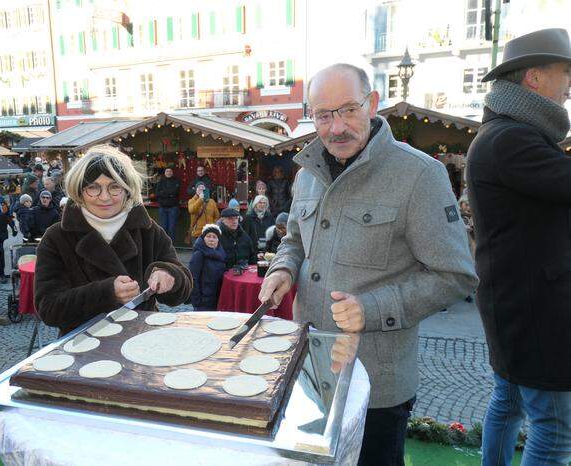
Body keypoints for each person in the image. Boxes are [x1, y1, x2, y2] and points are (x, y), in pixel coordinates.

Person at [259, 63, 477, 466]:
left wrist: (372, 308)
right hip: (309, 366)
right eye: (323, 115)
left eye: (347, 110)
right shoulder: (308, 173)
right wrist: (283, 270)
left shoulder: (420, 175)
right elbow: (293, 239)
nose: (335, 127)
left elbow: (456, 275)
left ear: (373, 103)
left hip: (376, 383)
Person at [465, 28, 571, 466]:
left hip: (514, 301)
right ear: (533, 78)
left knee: (507, 404)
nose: (569, 84)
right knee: (555, 430)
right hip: (535, 307)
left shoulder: (504, 134)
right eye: (565, 72)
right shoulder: (511, 138)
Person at [34, 145, 192, 336]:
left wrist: (170, 275)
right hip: (82, 347)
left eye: (114, 186)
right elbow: (48, 309)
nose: (105, 197)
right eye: (93, 187)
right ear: (79, 191)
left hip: (143, 341)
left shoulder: (149, 231)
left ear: (127, 190)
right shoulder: (56, 238)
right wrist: (106, 293)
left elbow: (182, 291)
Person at [188, 224, 226, 311]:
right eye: (208, 236)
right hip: (203, 301)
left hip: (217, 298)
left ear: (218, 240)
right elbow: (192, 278)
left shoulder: (221, 253)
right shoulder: (199, 255)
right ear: (203, 238)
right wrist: (197, 301)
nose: (211, 239)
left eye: (214, 237)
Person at [155, 167, 181, 242]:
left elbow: (175, 192)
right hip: (162, 208)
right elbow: (157, 193)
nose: (168, 172)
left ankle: (171, 247)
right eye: (167, 171)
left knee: (171, 228)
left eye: (170, 171)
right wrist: (169, 194)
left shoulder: (176, 181)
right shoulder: (161, 181)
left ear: (172, 172)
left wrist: (163, 192)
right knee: (163, 228)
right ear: (165, 172)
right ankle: (164, 247)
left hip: (173, 207)